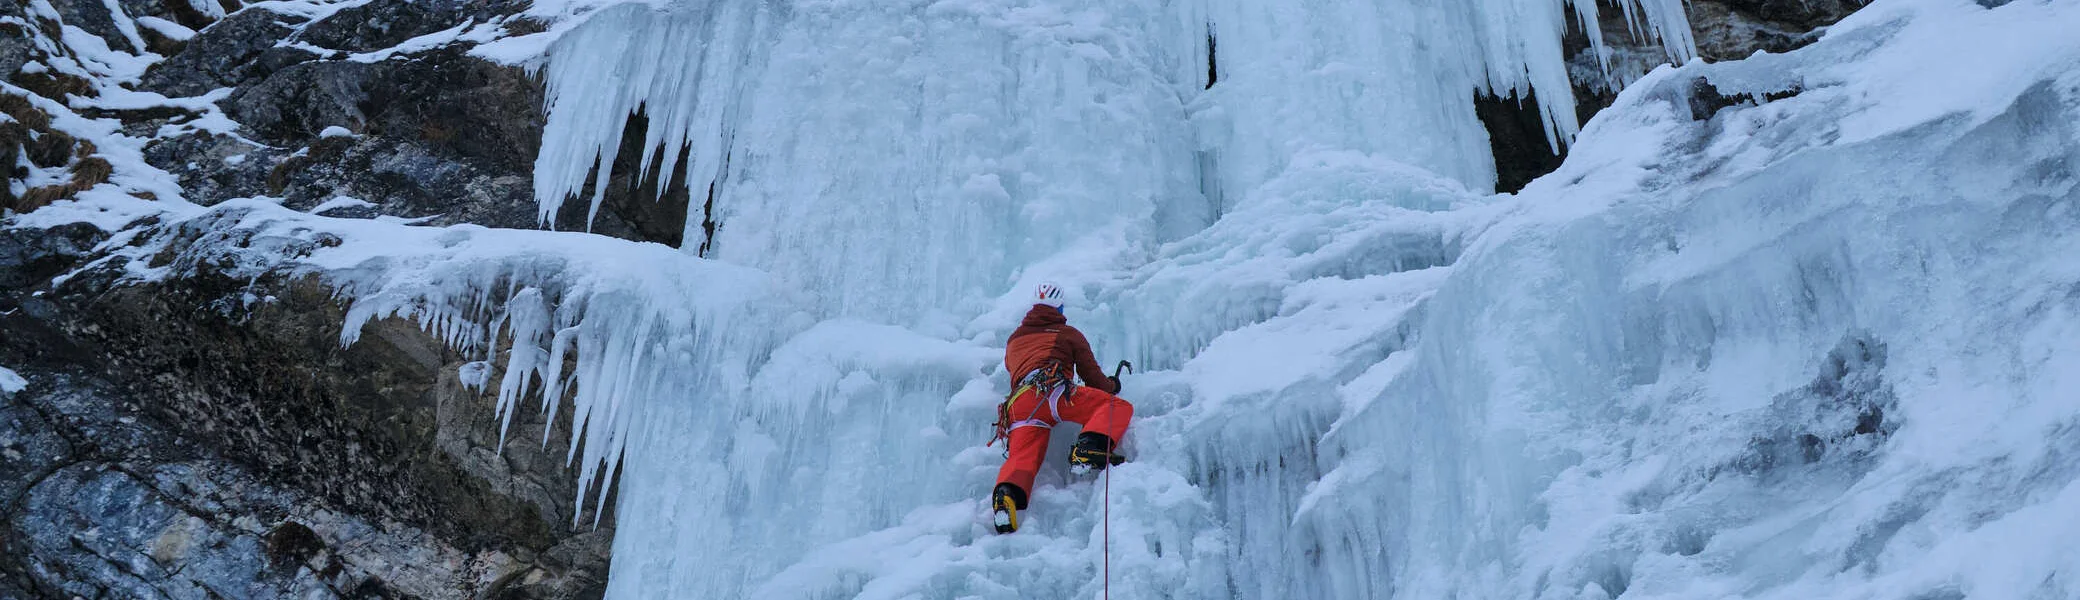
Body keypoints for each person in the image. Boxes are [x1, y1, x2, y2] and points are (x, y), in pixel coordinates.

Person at [989, 282, 1133, 534]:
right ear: (1060, 307)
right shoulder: (1067, 334)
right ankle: (1089, 448)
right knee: (1115, 407)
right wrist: (1113, 384)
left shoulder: (1014, 340)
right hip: (1053, 392)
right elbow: (1093, 380)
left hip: (1020, 406)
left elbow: (1015, 372)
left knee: (1022, 457)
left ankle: (1006, 497)